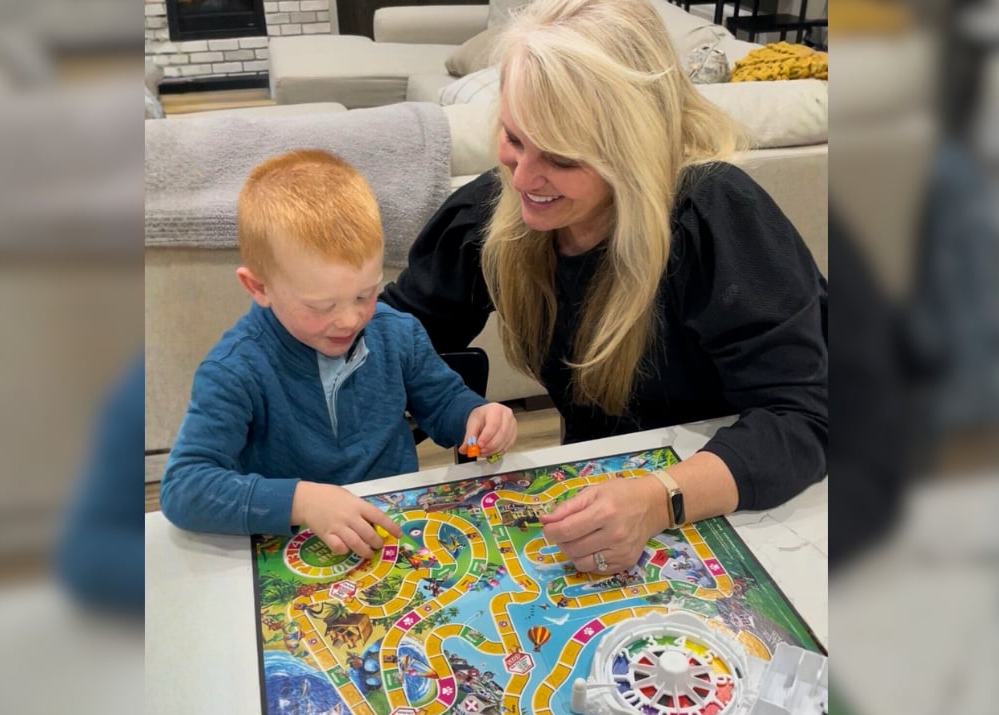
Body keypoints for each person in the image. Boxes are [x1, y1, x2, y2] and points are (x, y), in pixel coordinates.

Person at [380, 0, 827, 574]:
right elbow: (385, 345)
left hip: (737, 506)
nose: (523, 179)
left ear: (633, 147)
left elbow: (805, 417)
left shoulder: (717, 218)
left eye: (562, 157)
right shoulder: (487, 216)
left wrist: (657, 498)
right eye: (515, 138)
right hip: (594, 494)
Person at [160, 150, 517, 556]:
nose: (350, 320)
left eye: (365, 294)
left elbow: (444, 404)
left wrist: (477, 418)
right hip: (290, 547)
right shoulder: (235, 369)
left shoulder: (395, 331)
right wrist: (303, 501)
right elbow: (184, 488)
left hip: (390, 531)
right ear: (259, 287)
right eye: (320, 306)